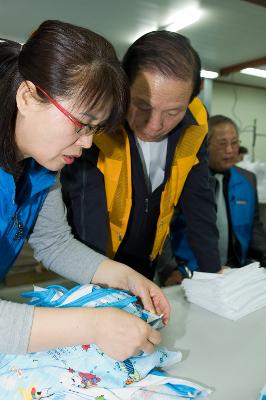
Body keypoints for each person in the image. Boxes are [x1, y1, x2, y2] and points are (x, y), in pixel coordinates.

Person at [0, 20, 170, 359]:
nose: (88, 142)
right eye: (81, 124)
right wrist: (93, 326)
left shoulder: (41, 164)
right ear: (28, 97)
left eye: (95, 129)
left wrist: (126, 278)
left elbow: (54, 243)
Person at [61, 30, 221, 286]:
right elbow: (85, 214)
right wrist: (96, 290)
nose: (154, 125)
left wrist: (214, 275)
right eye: (142, 106)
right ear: (123, 85)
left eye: (173, 112)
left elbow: (199, 202)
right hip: (92, 259)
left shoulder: (195, 126)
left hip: (148, 258)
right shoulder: (95, 125)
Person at [169, 115, 266, 277]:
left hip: (235, 270)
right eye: (222, 144)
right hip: (191, 270)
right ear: (206, 146)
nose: (229, 150)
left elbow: (254, 227)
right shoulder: (186, 179)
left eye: (234, 143)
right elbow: (164, 229)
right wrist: (168, 269)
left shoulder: (248, 180)